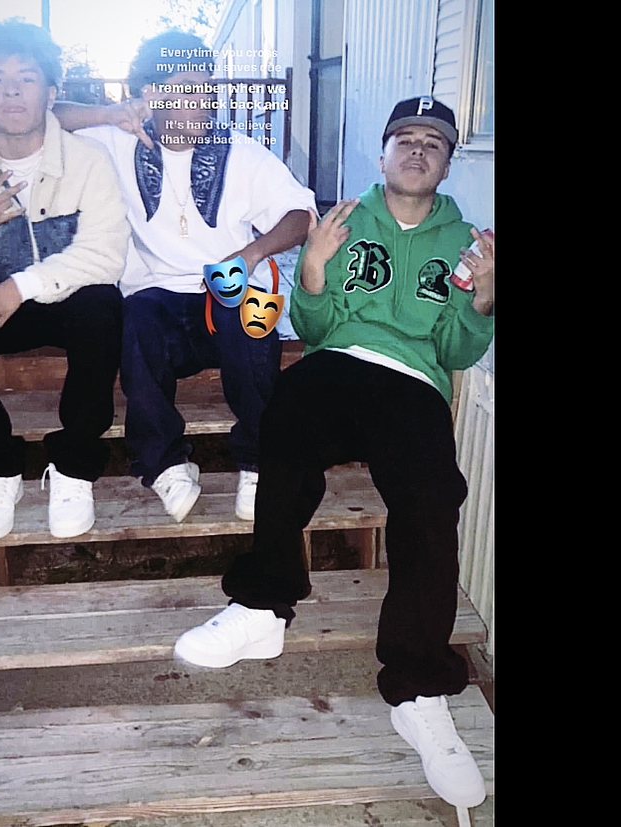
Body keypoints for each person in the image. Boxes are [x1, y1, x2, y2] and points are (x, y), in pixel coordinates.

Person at [174, 97, 495, 809]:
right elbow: (314, 327)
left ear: (446, 164)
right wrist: (314, 269)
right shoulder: (344, 221)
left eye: (433, 143)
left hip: (413, 380)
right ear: (382, 155)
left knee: (432, 498)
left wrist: (481, 303)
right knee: (287, 422)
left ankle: (417, 687)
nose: (417, 150)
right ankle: (263, 607)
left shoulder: (465, 242)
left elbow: (453, 350)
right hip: (339, 362)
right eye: (405, 139)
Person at [52, 31, 316, 523]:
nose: (202, 99)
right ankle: (165, 465)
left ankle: (258, 462)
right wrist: (111, 113)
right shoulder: (115, 141)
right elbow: (48, 119)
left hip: (225, 293)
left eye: (206, 87)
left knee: (253, 314)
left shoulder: (240, 151)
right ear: (151, 94)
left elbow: (300, 214)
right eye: (186, 87)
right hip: (157, 300)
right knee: (134, 317)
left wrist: (252, 252)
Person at [0, 21, 130, 542]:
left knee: (103, 306)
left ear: (51, 93)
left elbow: (105, 255)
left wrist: (21, 286)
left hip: (65, 301)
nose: (12, 91)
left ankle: (75, 464)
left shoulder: (88, 160)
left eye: (27, 78)